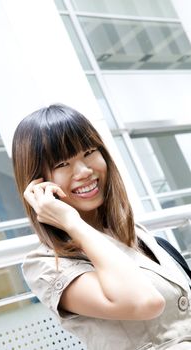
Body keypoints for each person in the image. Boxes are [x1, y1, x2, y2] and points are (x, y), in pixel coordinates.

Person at [12, 104, 191, 350]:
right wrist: (71, 222)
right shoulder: (46, 264)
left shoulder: (134, 232)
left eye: (89, 151)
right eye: (62, 163)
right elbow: (144, 302)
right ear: (37, 183)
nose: (84, 171)